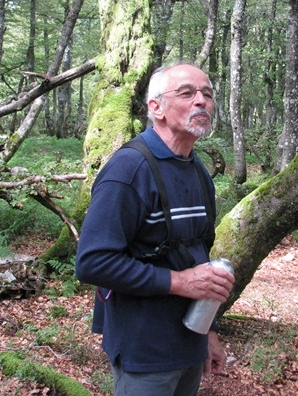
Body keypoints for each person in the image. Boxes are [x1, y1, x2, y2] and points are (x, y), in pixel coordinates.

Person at [75, 63, 235, 396]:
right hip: (144, 350)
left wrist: (209, 332)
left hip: (189, 342)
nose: (201, 101)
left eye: (207, 93)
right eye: (187, 93)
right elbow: (92, 262)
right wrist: (179, 282)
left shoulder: (198, 171)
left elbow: (198, 255)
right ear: (156, 108)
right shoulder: (129, 169)